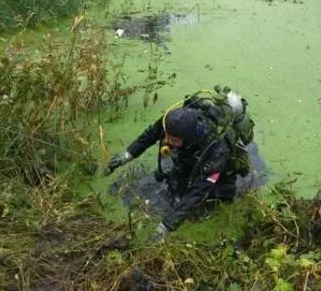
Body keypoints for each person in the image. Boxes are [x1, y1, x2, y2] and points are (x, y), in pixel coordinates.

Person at [108, 88, 254, 239]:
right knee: (176, 177)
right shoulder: (172, 121)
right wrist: (126, 156)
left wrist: (166, 225)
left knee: (212, 196)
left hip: (219, 174)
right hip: (190, 152)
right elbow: (151, 134)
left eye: (174, 140)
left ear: (190, 137)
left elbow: (199, 190)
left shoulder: (218, 149)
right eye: (167, 137)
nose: (167, 141)